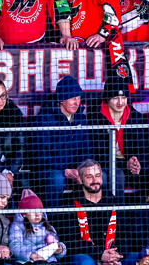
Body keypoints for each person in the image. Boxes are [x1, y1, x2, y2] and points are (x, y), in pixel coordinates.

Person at [39, 75, 95, 205]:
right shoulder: (44, 119)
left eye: (78, 98)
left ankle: (95, 216)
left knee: (99, 175)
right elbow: (41, 155)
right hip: (51, 169)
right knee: (57, 179)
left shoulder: (81, 119)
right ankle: (51, 217)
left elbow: (86, 150)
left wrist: (83, 169)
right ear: (61, 99)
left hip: (76, 169)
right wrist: (65, 169)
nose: (77, 102)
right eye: (72, 98)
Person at [58, 159, 125, 265]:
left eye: (98, 175)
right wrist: (100, 255)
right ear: (80, 179)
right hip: (85, 255)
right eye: (89, 177)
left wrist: (115, 255)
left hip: (113, 254)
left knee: (137, 257)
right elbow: (70, 241)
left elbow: (127, 234)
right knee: (85, 261)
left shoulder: (114, 202)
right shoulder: (69, 204)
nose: (95, 180)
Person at [91, 82, 149, 201]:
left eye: (123, 97)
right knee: (117, 175)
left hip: (131, 167)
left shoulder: (136, 118)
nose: (120, 102)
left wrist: (136, 162)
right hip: (106, 166)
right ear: (107, 99)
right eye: (115, 98)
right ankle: (117, 212)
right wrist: (125, 164)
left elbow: (144, 148)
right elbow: (97, 154)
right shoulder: (96, 118)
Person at [8, 189, 67, 263]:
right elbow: (15, 246)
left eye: (39, 210)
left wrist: (60, 249)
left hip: (50, 260)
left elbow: (57, 242)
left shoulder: (47, 226)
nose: (37, 214)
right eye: (33, 211)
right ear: (24, 214)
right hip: (28, 261)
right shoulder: (17, 226)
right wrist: (30, 255)